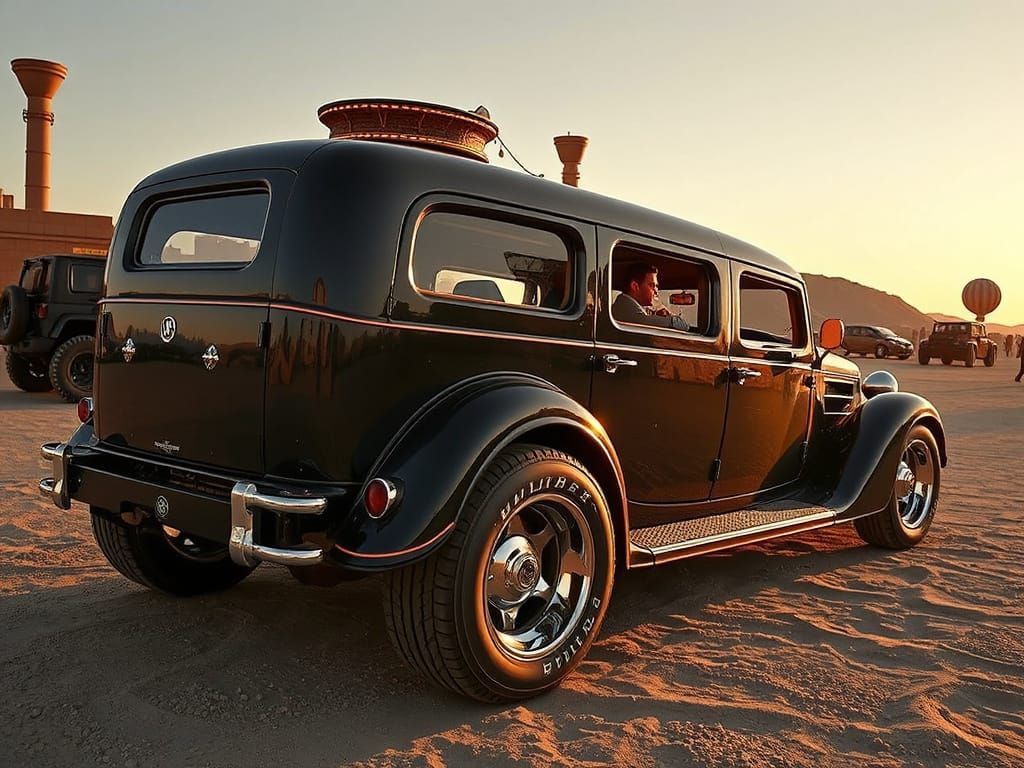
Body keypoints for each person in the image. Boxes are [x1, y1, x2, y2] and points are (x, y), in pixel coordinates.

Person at [612, 263, 689, 331]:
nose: (656, 291)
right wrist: (662, 308)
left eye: (657, 286)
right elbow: (682, 325)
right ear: (635, 286)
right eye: (652, 286)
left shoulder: (623, 307)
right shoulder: (628, 311)